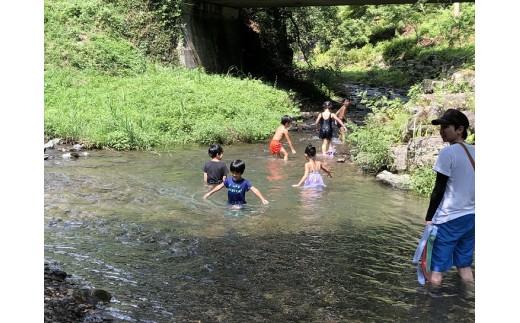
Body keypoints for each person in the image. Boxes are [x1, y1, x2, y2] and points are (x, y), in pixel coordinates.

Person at [424, 109, 475, 287]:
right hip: (471, 218)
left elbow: (439, 189)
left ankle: (433, 309)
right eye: (441, 127)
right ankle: (469, 303)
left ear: (460, 129)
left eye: (446, 127)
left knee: (435, 271)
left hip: (449, 218)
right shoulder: (475, 151)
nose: (442, 131)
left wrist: (429, 218)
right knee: (465, 267)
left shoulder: (448, 153)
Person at [204, 159, 269, 207]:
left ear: (241, 172)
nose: (234, 174)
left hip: (241, 205)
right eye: (233, 172)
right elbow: (219, 187)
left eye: (237, 173)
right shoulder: (228, 180)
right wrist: (209, 193)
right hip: (229, 204)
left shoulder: (245, 183)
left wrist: (263, 199)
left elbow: (255, 190)